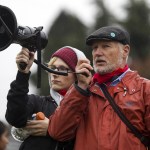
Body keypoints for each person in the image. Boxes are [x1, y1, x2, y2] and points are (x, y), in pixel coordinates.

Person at [47, 26, 150, 150]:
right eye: (95, 48)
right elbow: (58, 132)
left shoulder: (145, 89)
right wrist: (80, 88)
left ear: (125, 51)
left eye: (106, 46)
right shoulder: (82, 91)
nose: (98, 53)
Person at [5, 46, 86, 150]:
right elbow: (14, 118)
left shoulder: (87, 107)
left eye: (62, 69)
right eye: (52, 68)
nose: (54, 74)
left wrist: (51, 128)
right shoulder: (37, 102)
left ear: (78, 73)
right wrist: (22, 74)